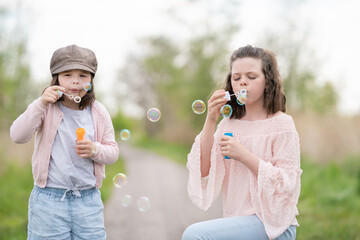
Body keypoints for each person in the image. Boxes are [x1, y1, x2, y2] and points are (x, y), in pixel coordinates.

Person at [183, 45, 302, 240]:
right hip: (238, 223)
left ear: (267, 81)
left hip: (273, 224)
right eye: (236, 78)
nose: (242, 83)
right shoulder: (227, 125)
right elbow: (204, 171)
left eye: (251, 77)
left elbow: (287, 185)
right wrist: (211, 119)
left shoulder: (282, 124)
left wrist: (244, 155)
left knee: (196, 235)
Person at [10, 44, 119, 240]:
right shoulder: (45, 107)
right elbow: (17, 136)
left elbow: (113, 152)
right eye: (67, 75)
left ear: (91, 80)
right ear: (56, 78)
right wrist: (41, 103)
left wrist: (95, 149)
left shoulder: (99, 112)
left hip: (88, 201)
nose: (75, 81)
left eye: (83, 75)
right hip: (49, 201)